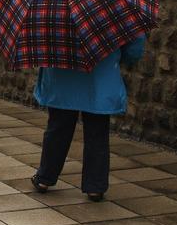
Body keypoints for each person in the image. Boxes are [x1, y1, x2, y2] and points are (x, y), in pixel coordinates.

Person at [31, 34, 146, 201]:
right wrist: (120, 57)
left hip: (61, 75)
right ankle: (95, 187)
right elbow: (135, 44)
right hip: (100, 74)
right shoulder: (110, 16)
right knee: (97, 133)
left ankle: (45, 178)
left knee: (57, 129)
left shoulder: (52, 16)